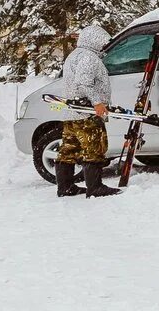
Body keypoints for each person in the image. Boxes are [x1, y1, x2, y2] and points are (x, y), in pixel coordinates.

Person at [55, 24, 120, 199]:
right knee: (94, 147)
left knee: (69, 149)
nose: (104, 46)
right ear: (94, 40)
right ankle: (95, 187)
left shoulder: (74, 56)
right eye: (103, 42)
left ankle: (65, 187)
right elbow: (83, 83)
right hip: (87, 113)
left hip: (72, 113)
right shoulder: (89, 57)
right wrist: (97, 102)